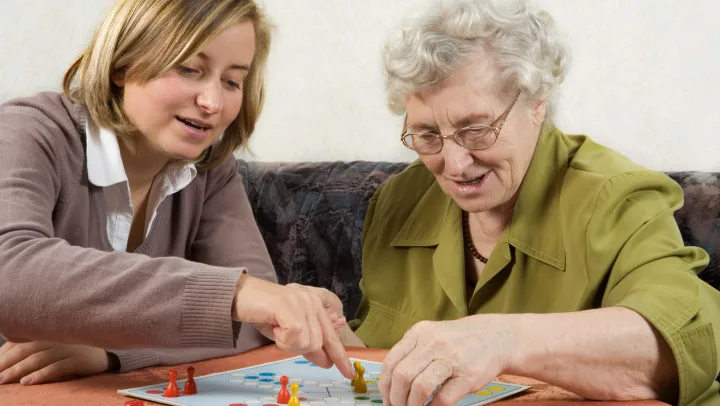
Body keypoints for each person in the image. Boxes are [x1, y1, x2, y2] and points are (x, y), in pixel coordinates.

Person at [340, 0, 720, 405]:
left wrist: (503, 339)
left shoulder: (618, 198)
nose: (453, 164)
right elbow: (387, 361)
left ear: (536, 102)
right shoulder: (399, 202)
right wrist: (338, 341)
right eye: (427, 134)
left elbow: (685, 342)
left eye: (475, 129)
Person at [0, 0, 353, 386]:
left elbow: (259, 323)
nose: (212, 103)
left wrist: (111, 352)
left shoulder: (211, 170)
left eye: (232, 81)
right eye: (189, 69)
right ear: (122, 65)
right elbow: (9, 273)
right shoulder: (26, 132)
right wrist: (237, 295)